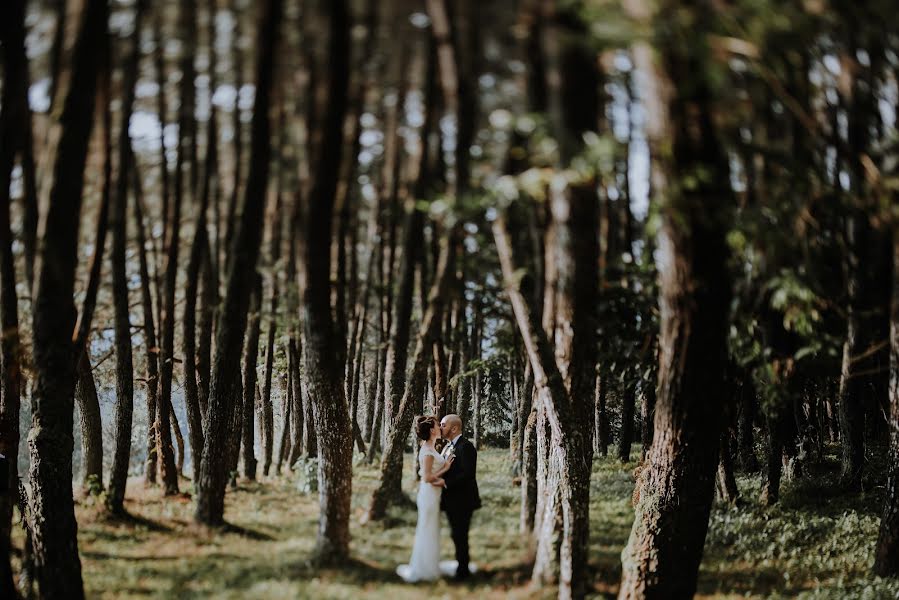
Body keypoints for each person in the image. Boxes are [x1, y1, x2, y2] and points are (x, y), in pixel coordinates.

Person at [396, 416, 454, 582]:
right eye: (438, 426)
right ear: (431, 430)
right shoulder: (428, 451)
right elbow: (427, 477)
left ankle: (430, 564)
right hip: (429, 494)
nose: (440, 429)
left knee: (431, 529)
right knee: (427, 529)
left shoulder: (431, 447)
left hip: (433, 495)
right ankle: (424, 568)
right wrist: (446, 471)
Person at [438, 413, 481, 580]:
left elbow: (467, 474)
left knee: (461, 535)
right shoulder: (448, 446)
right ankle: (461, 566)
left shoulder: (466, 447)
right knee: (456, 534)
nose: (440, 428)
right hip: (451, 500)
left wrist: (445, 483)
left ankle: (463, 572)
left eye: (443, 425)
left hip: (463, 500)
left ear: (454, 428)